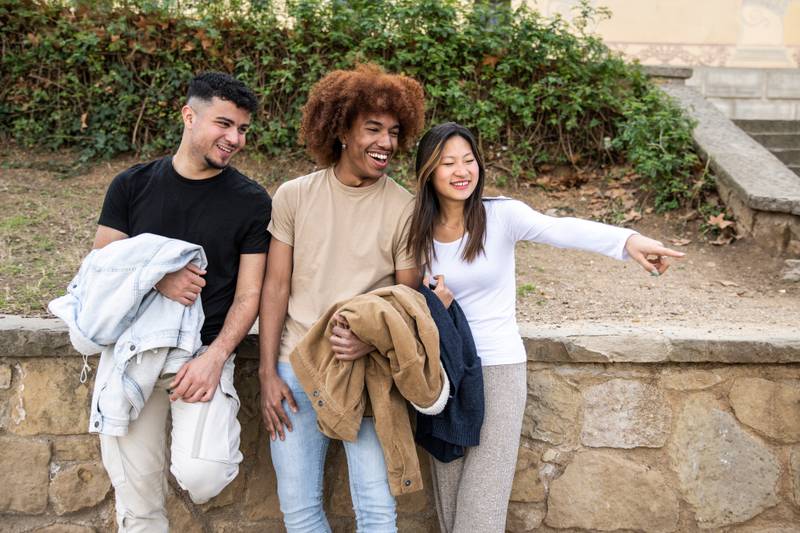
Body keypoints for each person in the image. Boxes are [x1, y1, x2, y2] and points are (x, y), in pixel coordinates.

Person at [406, 122, 685, 533]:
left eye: (468, 160)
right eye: (448, 163)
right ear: (429, 170)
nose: (461, 170)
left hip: (497, 369)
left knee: (481, 502)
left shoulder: (500, 216)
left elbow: (562, 229)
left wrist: (627, 241)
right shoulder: (415, 230)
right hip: (443, 372)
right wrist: (435, 302)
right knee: (450, 498)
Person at [91, 72, 270, 531]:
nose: (235, 138)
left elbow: (250, 294)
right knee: (138, 502)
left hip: (200, 355)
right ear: (189, 116)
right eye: (224, 124)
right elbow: (101, 267)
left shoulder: (251, 201)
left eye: (243, 129)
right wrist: (158, 278)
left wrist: (215, 358)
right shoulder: (131, 185)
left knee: (203, 474)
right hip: (133, 353)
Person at [258, 63, 425, 533]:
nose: (386, 143)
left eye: (393, 132)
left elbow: (408, 297)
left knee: (376, 512)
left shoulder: (403, 207)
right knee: (300, 510)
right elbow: (275, 288)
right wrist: (267, 372)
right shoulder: (293, 196)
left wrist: (371, 343)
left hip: (365, 372)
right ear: (341, 130)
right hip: (296, 370)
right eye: (372, 129)